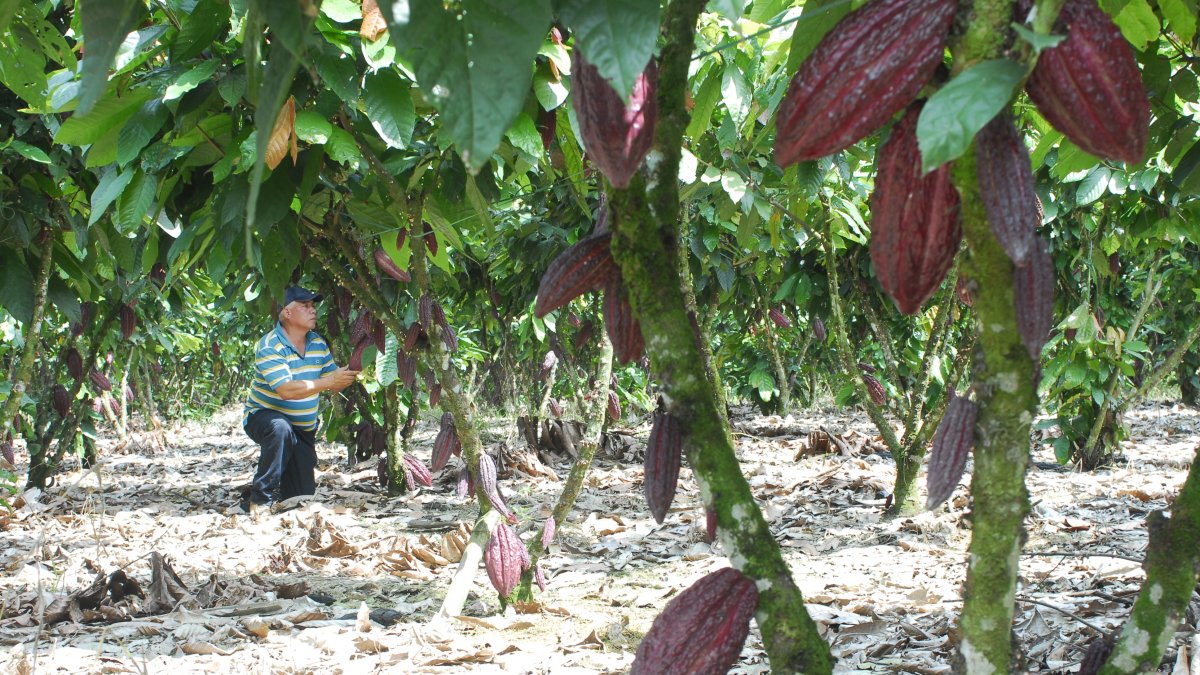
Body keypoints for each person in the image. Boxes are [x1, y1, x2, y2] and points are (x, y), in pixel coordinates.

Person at [241, 286, 358, 512]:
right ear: (287, 313)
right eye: (305, 306)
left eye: (313, 306)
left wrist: (360, 364)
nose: (312, 310)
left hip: (303, 430)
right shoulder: (270, 345)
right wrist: (328, 382)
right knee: (280, 428)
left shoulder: (317, 343)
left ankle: (256, 494)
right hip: (263, 419)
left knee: (301, 497)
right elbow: (286, 390)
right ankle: (260, 500)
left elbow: (333, 380)